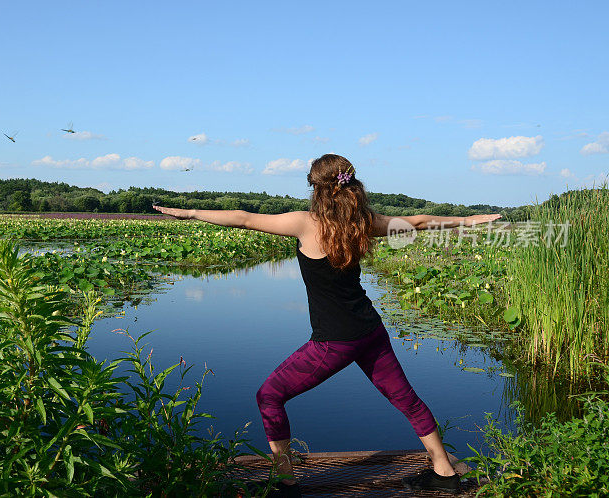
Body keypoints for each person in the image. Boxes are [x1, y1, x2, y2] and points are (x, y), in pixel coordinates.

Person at [153, 153, 501, 496]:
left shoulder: (304, 223)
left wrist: (191, 212)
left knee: (269, 396)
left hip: (333, 342)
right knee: (406, 400)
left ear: (315, 188)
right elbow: (421, 221)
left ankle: (286, 481)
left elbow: (243, 218)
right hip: (370, 332)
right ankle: (443, 471)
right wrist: (470, 221)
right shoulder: (364, 221)